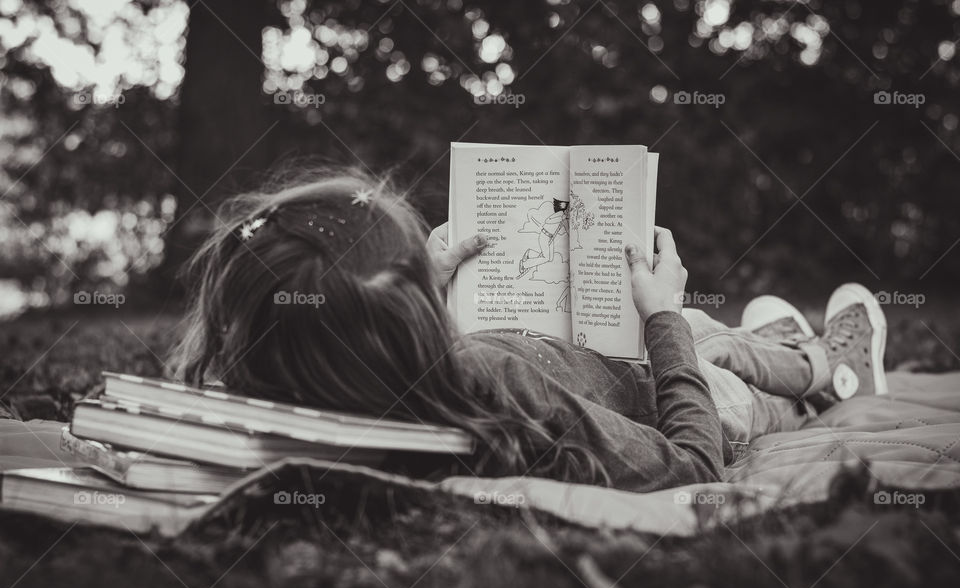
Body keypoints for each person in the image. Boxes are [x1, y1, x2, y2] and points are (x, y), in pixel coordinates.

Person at [169, 167, 888, 492]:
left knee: (712, 333)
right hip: (674, 403)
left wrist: (429, 284)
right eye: (415, 277)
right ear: (404, 318)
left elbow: (345, 336)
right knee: (716, 351)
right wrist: (660, 314)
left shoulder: (323, 384)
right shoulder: (495, 390)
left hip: (596, 367)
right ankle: (830, 375)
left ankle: (800, 352)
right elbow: (693, 466)